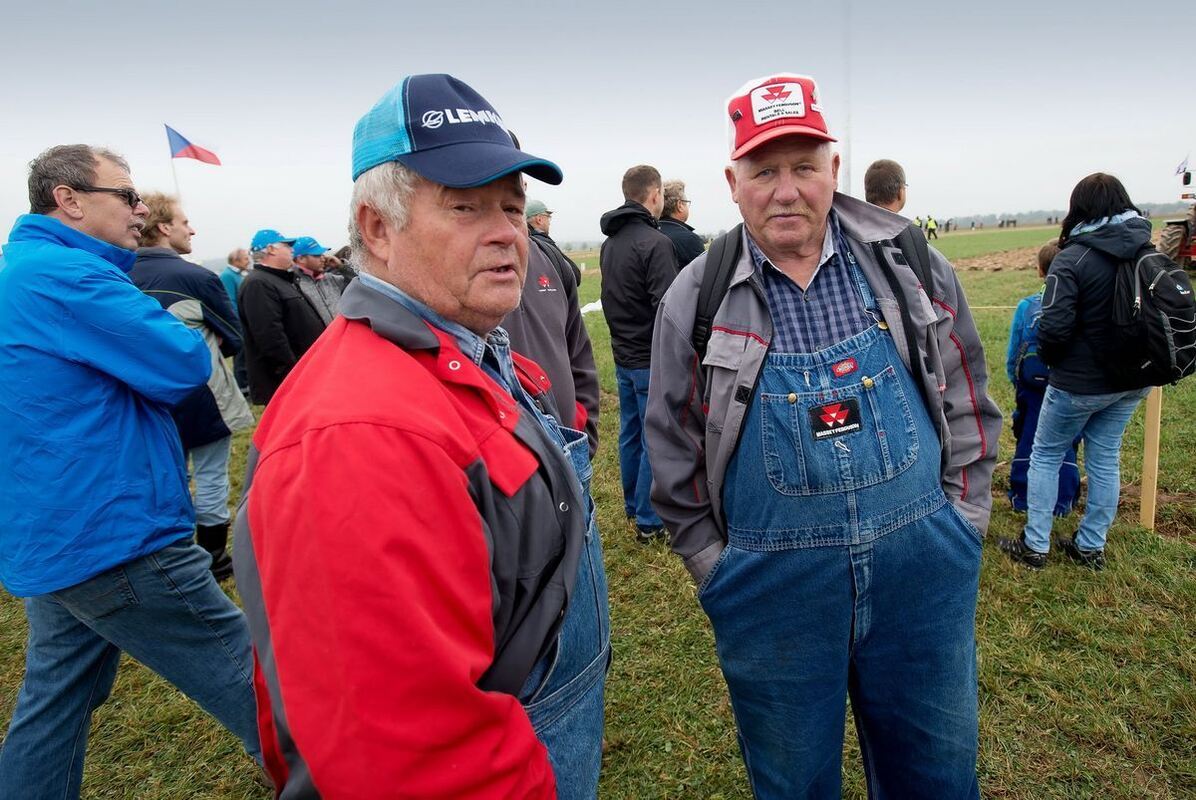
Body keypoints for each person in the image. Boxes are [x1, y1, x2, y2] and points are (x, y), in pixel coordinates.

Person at [232, 73, 609, 799]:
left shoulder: (468, 348)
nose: (506, 231)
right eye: (465, 207)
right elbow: (408, 763)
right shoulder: (355, 434)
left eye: (511, 204)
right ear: (377, 227)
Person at [645, 73, 1000, 798]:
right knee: (793, 782)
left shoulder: (907, 261)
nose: (786, 189)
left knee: (935, 776)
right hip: (771, 593)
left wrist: (963, 522)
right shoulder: (697, 296)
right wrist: (719, 570)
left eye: (804, 166)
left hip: (923, 574)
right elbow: (673, 448)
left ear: (834, 171)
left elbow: (966, 390)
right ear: (732, 181)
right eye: (764, 170)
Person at [0, 145, 260, 798]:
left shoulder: (25, 270)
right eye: (127, 194)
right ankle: (347, 778)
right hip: (113, 532)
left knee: (53, 702)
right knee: (244, 671)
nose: (141, 209)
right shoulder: (69, 276)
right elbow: (181, 360)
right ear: (69, 199)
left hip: (58, 531)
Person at [999, 173, 1154, 571]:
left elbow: (1053, 327)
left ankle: (1036, 546)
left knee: (1045, 455)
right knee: (1105, 459)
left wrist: (1055, 362)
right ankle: (1090, 546)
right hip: (1133, 381)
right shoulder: (1146, 250)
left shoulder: (1073, 257)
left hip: (1078, 383)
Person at [129, 192, 254, 581]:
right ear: (164, 227)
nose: (192, 229)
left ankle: (175, 555)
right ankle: (214, 556)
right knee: (212, 475)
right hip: (203, 397)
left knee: (167, 477)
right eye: (185, 222)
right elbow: (234, 337)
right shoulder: (197, 277)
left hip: (143, 399)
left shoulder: (115, 275)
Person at [600, 164, 679, 541]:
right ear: (654, 195)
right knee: (653, 439)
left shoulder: (610, 242)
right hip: (649, 357)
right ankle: (649, 521)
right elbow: (668, 309)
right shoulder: (656, 244)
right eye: (662, 193)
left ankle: (633, 504)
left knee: (630, 432)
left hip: (622, 355)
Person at [502, 227, 601, 455]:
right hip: (509, 466)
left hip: (570, 450)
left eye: (512, 207)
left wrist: (583, 430)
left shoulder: (550, 258)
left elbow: (579, 353)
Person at [1005, 239, 1080, 515]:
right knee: (1066, 441)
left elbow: (1014, 353)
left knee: (1029, 439)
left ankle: (1023, 497)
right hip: (1069, 386)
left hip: (1032, 387)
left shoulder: (1027, 306)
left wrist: (1017, 382)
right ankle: (1063, 500)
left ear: (1040, 270)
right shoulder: (1079, 305)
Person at [237, 228, 324, 404]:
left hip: (306, 373)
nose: (292, 249)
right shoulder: (258, 283)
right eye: (287, 245)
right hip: (290, 382)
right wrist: (295, 374)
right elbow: (270, 337)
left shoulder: (280, 279)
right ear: (271, 249)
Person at [291, 235, 346, 324]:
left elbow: (358, 282)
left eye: (322, 255)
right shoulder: (292, 285)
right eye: (317, 255)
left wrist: (341, 267)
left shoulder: (330, 278)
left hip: (342, 336)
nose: (323, 258)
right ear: (301, 259)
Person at [526, 197, 581, 283]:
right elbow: (574, 276)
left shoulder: (520, 243)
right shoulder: (544, 243)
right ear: (539, 219)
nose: (549, 222)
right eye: (548, 217)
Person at [221, 248, 251, 393]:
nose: (248, 261)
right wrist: (239, 322)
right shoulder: (228, 276)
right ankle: (243, 387)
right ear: (236, 260)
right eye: (245, 258)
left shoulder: (238, 274)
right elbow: (230, 300)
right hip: (240, 322)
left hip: (244, 320)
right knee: (241, 356)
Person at [659, 179, 706, 268]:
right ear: (679, 205)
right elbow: (704, 276)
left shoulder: (648, 233)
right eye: (686, 203)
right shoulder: (690, 240)